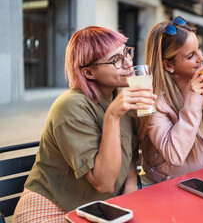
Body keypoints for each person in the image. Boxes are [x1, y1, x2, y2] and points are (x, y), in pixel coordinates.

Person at [12, 26, 157, 222]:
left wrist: (131, 190)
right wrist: (112, 116)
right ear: (89, 73)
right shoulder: (71, 106)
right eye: (116, 60)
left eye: (126, 52)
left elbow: (129, 155)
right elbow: (104, 184)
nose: (128, 63)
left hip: (97, 208)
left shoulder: (120, 97)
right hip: (52, 207)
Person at [136, 16, 203, 184]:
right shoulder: (150, 100)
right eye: (191, 55)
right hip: (168, 187)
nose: (201, 58)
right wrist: (194, 98)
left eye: (199, 49)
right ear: (169, 66)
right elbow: (175, 155)